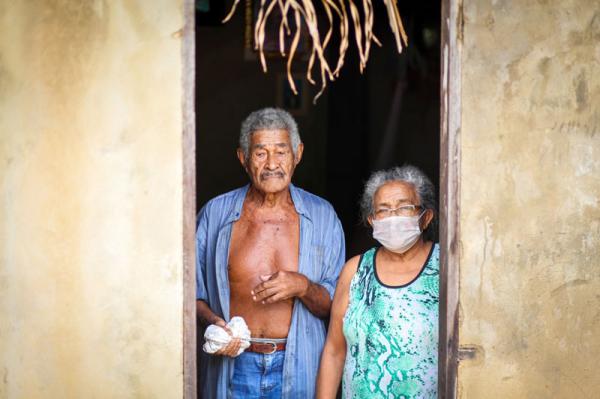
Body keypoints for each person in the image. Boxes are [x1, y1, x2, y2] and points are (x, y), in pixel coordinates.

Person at [196, 108, 345, 399]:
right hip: (233, 366)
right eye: (260, 153)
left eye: (281, 151)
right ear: (243, 157)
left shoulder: (323, 216)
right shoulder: (216, 214)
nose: (272, 164)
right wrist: (215, 324)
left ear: (298, 153)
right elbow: (191, 295)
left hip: (300, 365)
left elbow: (336, 307)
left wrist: (302, 286)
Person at [316, 165, 439, 399]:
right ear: (372, 220)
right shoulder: (355, 271)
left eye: (404, 207)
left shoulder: (447, 268)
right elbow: (334, 351)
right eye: (383, 210)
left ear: (426, 217)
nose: (393, 217)